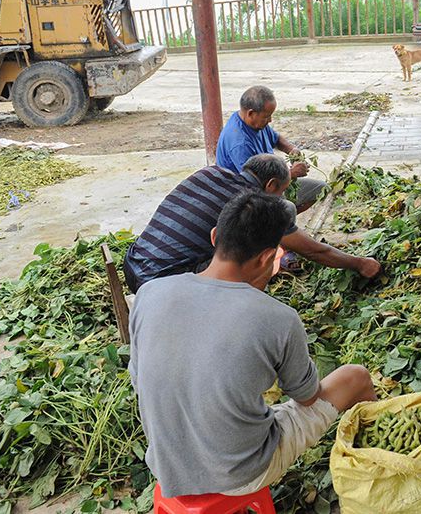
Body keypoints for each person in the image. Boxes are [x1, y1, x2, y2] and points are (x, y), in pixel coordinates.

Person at [130, 190, 377, 498]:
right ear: (266, 257)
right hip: (241, 475)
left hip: (165, 465)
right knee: (355, 377)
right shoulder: (278, 317)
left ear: (215, 236)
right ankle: (376, 461)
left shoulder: (149, 293)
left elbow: (139, 380)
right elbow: (307, 397)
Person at [123, 153, 380, 293]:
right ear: (271, 185)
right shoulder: (257, 205)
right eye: (282, 191)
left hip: (133, 264)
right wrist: (360, 263)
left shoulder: (209, 172)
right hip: (162, 286)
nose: (282, 198)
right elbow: (314, 251)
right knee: (256, 258)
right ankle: (234, 309)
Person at [216, 86, 326, 213]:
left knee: (322, 189)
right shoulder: (240, 144)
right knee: (288, 208)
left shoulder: (255, 123)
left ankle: (282, 220)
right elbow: (257, 184)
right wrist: (291, 173)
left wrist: (292, 150)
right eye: (267, 116)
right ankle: (278, 221)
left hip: (272, 184)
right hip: (249, 197)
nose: (270, 120)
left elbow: (276, 138)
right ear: (251, 113)